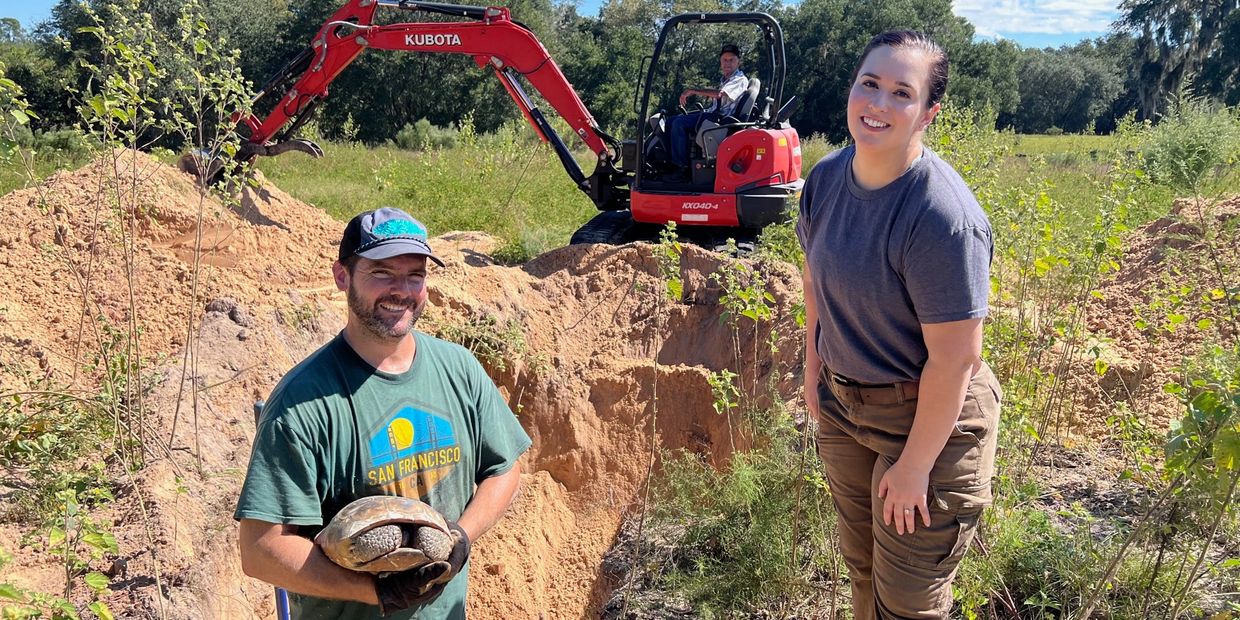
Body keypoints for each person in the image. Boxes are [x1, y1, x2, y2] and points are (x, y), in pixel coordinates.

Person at [235, 206, 531, 619]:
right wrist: (377, 593)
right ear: (342, 276)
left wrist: (463, 536)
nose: (401, 289)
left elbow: (505, 467)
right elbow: (260, 550)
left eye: (415, 274)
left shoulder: (459, 368)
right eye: (381, 273)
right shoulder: (303, 404)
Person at [796, 31, 1000, 619]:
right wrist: (814, 373)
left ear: (927, 113)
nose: (879, 104)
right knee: (862, 572)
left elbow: (955, 360)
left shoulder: (942, 217)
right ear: (852, 89)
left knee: (907, 604)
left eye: (901, 93)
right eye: (870, 83)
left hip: (928, 420)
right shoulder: (826, 181)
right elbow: (814, 284)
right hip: (843, 406)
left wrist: (914, 467)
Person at [668, 43, 749, 171]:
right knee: (670, 121)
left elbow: (719, 94)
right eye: (724, 60)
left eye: (731, 60)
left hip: (720, 120)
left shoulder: (739, 79)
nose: (727, 63)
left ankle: (680, 168)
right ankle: (667, 163)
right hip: (714, 115)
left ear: (739, 62)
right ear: (720, 61)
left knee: (679, 124)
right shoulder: (726, 79)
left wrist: (692, 91)